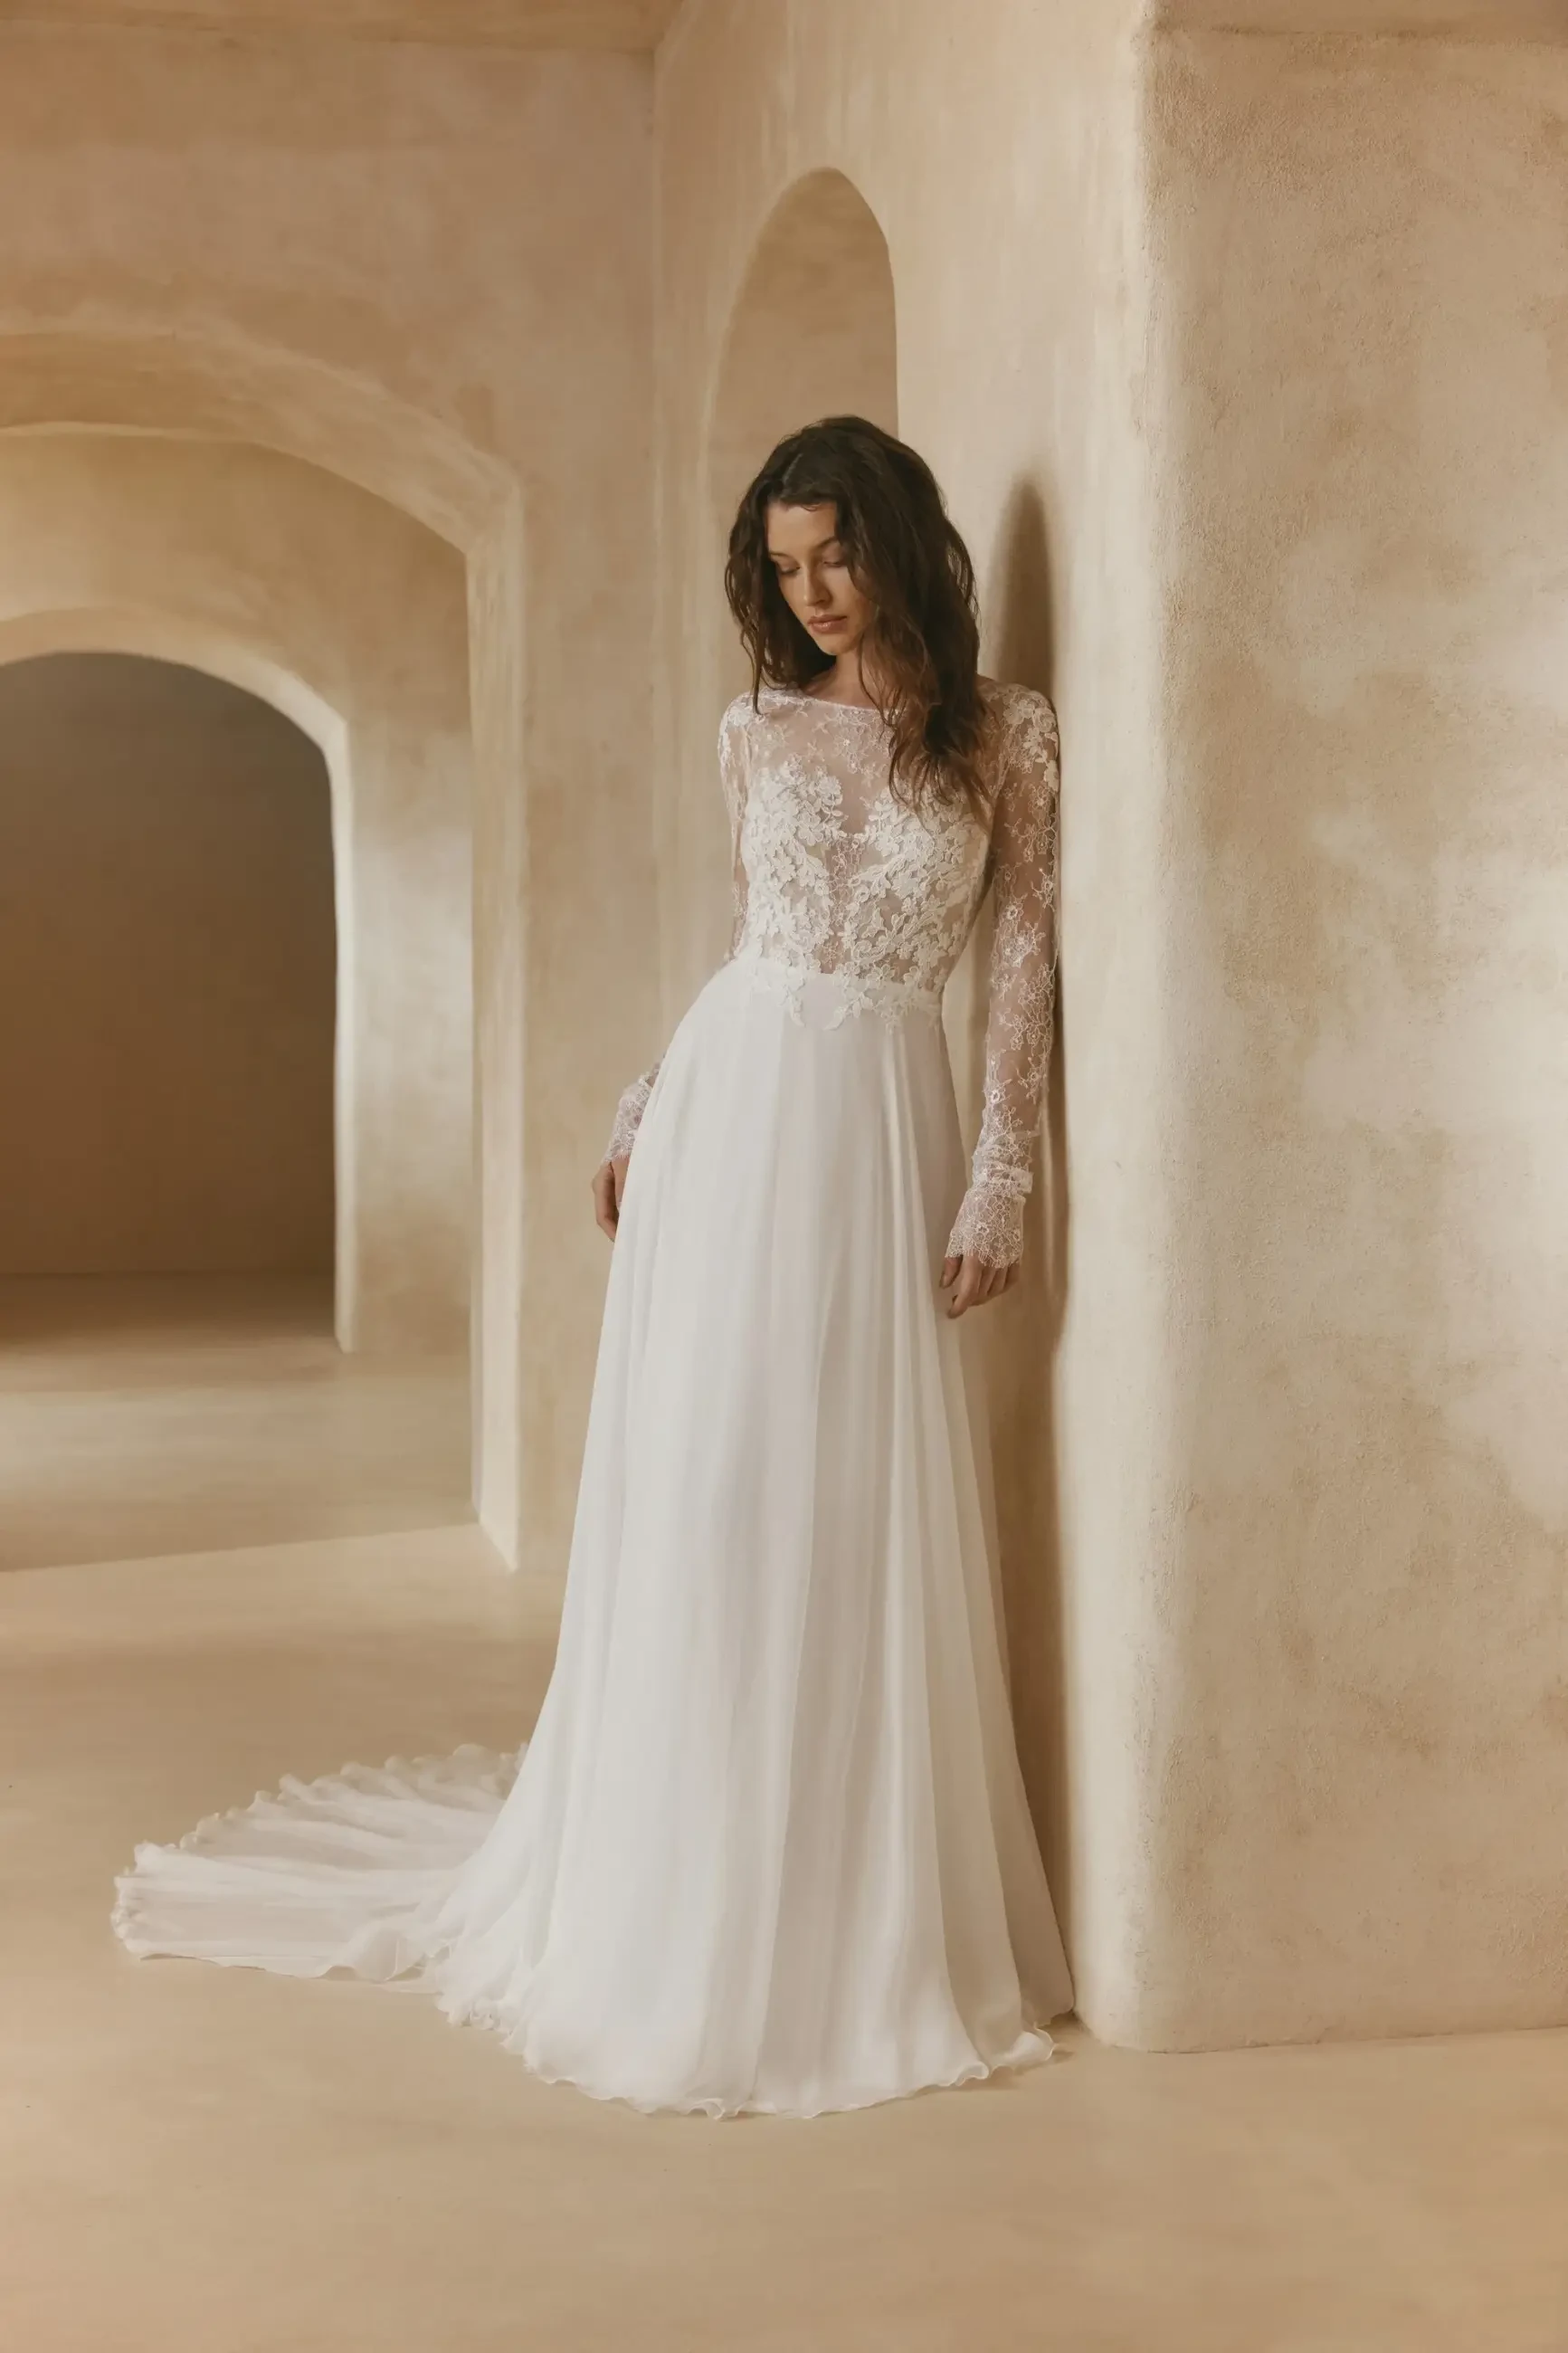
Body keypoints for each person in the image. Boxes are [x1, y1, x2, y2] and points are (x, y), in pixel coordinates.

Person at [113, 415, 1073, 2120]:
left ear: (905, 545)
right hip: (736, 1125)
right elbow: (747, 948)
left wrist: (1001, 1173)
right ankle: (684, 1875)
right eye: (785, 569)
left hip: (883, 1133)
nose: (815, 594)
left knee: (852, 1506)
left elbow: (1020, 973)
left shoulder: (1003, 740)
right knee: (712, 1495)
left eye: (837, 555)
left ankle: (844, 1901)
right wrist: (650, 1105)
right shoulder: (753, 729)